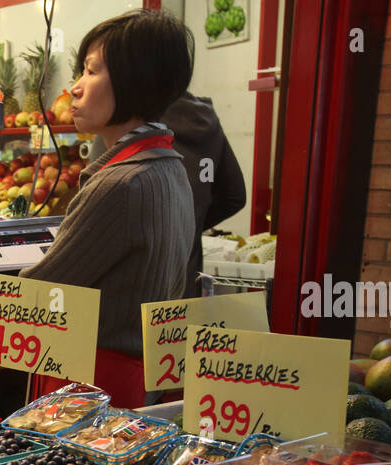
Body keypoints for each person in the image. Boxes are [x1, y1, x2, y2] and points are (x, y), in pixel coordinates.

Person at [19, 10, 195, 408]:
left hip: (90, 384)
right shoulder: (170, 168)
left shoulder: (121, 183)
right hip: (139, 377)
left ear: (135, 81)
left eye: (92, 71)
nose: (76, 88)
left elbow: (39, 287)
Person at [161, 93, 246, 298]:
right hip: (186, 286)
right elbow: (234, 195)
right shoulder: (206, 120)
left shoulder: (126, 120)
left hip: (136, 294)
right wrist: (190, 223)